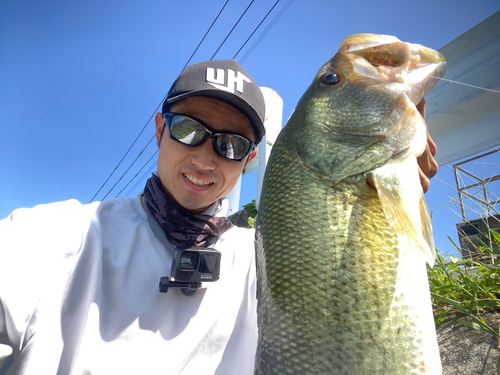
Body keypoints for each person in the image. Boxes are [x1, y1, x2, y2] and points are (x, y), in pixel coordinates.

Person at [0, 59, 438, 375]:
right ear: (159, 130)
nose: (206, 159)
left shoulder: (268, 258)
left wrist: (390, 186)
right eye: (189, 130)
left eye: (230, 144)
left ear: (248, 160)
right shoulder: (60, 236)